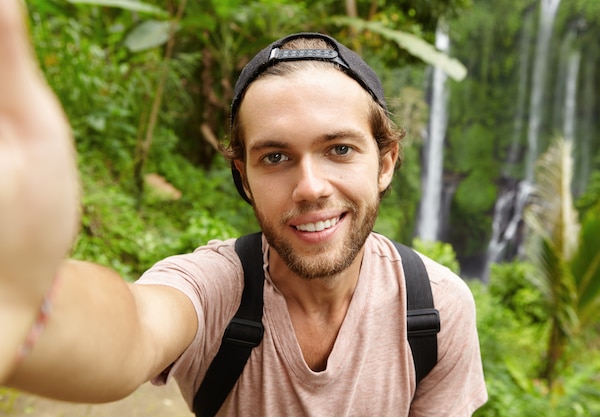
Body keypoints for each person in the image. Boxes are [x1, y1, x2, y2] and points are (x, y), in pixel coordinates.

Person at [0, 1, 488, 415]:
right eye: (275, 158)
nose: (310, 187)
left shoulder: (436, 309)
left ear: (385, 163)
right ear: (245, 180)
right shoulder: (216, 291)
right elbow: (136, 329)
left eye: (339, 149)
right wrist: (27, 298)